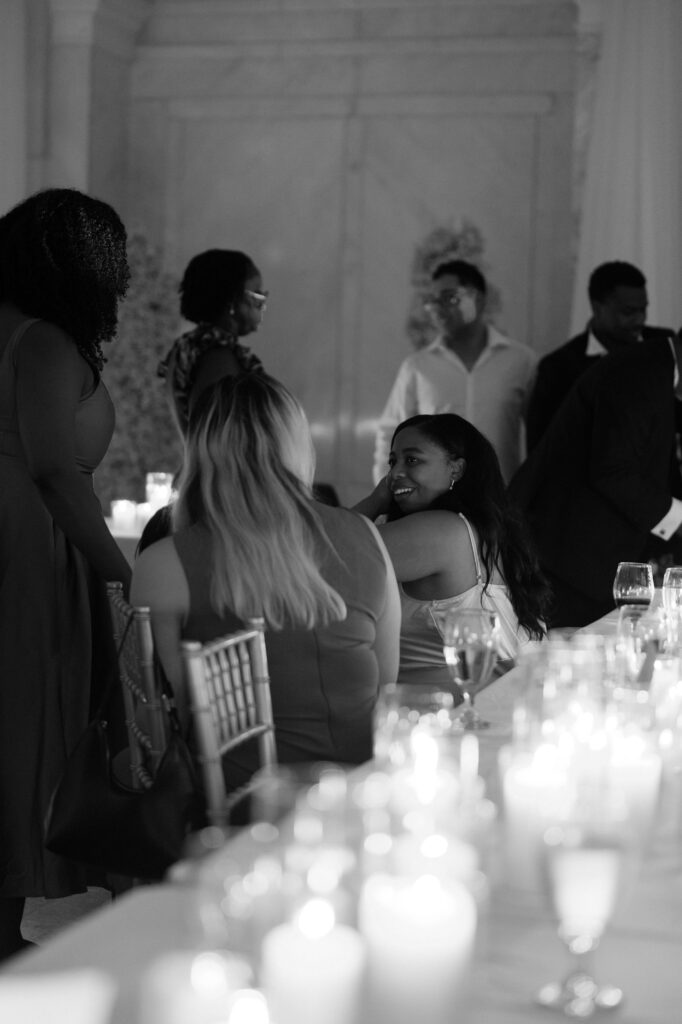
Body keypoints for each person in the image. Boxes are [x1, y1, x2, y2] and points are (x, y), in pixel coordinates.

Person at [131, 372, 400, 789]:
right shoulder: (366, 536)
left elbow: (177, 715)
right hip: (361, 790)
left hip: (238, 804)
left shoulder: (163, 564)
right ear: (297, 444)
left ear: (200, 450)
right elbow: (387, 683)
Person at [0, 188, 132, 958]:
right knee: (21, 726)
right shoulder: (43, 339)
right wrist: (120, 573)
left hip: (23, 533)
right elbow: (54, 468)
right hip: (27, 543)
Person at [355, 414, 548, 688]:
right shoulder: (487, 528)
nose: (394, 474)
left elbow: (323, 550)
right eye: (393, 461)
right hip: (496, 699)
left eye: (412, 460)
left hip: (448, 711)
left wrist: (374, 502)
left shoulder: (439, 530)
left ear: (456, 469)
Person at [510, 332, 682, 628]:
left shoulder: (658, 368)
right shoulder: (639, 372)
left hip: (591, 553)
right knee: (571, 659)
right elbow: (613, 470)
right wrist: (678, 518)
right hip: (566, 550)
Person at [372, 259, 537, 485]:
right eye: (432, 301)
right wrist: (388, 494)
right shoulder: (418, 367)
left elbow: (542, 437)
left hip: (502, 500)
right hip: (435, 503)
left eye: (449, 298)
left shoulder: (521, 361)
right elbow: (390, 435)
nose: (438, 308)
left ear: (478, 300)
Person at [525, 260, 675, 450]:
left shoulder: (665, 346)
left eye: (643, 309)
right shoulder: (559, 368)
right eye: (628, 312)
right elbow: (543, 450)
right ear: (597, 308)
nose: (640, 319)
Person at [158, 249, 266, 436]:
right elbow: (220, 439)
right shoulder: (217, 357)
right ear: (232, 301)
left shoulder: (193, 347)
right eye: (257, 297)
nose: (263, 306)